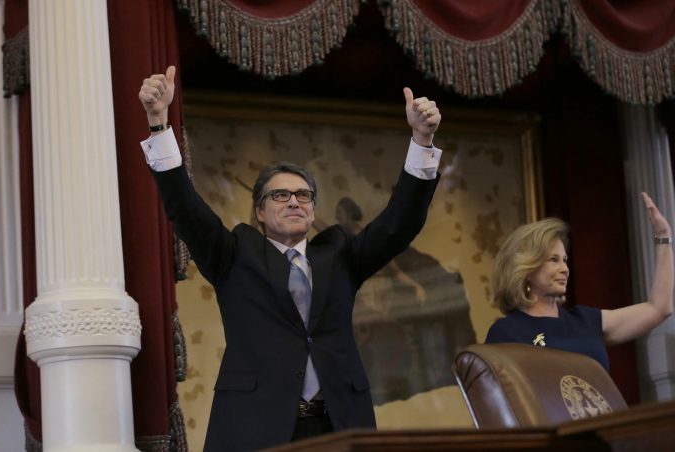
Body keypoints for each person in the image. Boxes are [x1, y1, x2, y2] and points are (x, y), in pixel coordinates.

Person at [138, 65, 442, 451]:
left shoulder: (341, 255)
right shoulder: (233, 256)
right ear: (260, 212)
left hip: (338, 423)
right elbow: (185, 208)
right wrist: (159, 124)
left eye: (303, 195)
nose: (294, 201)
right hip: (256, 426)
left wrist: (422, 139)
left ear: (313, 211)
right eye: (280, 195)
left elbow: (400, 223)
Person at [485, 193, 673, 371]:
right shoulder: (506, 332)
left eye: (565, 260)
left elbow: (659, 309)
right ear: (527, 269)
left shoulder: (585, 321)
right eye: (553, 260)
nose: (565, 269)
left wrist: (664, 236)